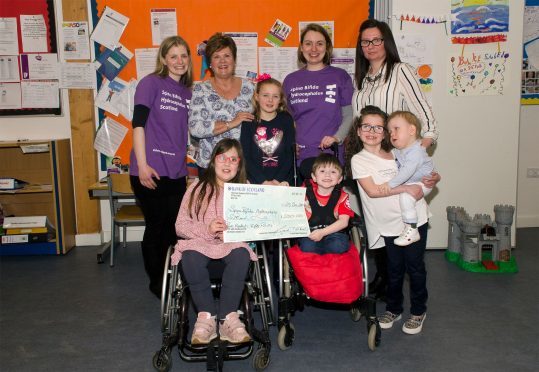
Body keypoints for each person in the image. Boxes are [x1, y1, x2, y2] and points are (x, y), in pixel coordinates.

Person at [352, 19, 439, 299]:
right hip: (368, 158)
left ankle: (400, 283)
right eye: (365, 42)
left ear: (386, 42)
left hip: (395, 160)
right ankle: (385, 277)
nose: (371, 46)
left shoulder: (401, 72)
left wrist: (413, 156)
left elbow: (428, 122)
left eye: (376, 40)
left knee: (402, 217)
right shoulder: (363, 79)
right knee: (376, 219)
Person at [346, 105, 439, 335]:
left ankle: (418, 311)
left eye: (379, 127)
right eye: (366, 126)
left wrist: (434, 178)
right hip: (387, 224)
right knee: (394, 270)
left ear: (386, 132)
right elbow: (374, 191)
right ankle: (394, 309)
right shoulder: (359, 160)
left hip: (414, 220)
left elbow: (423, 170)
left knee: (415, 268)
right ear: (358, 130)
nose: (372, 131)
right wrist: (409, 188)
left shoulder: (399, 152)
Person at [171, 139, 257, 345]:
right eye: (222, 158)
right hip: (200, 245)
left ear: (239, 164)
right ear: (212, 161)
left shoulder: (246, 190)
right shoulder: (197, 188)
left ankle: (228, 318)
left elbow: (255, 224)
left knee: (241, 253)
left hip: (232, 246)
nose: (227, 163)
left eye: (233, 159)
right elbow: (180, 225)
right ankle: (206, 317)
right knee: (189, 255)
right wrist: (207, 229)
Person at [129, 35, 193, 298]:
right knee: (156, 227)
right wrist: (142, 165)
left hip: (177, 171)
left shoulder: (189, 92)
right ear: (164, 60)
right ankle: (157, 283)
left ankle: (172, 277)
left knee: (174, 229)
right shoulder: (150, 83)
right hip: (150, 170)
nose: (179, 61)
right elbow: (138, 125)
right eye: (173, 56)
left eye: (184, 56)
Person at [283, 23, 354, 176]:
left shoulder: (340, 76)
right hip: (299, 157)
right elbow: (286, 120)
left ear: (327, 47)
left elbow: (349, 115)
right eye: (308, 44)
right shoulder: (290, 80)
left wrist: (337, 137)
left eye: (319, 44)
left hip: (330, 157)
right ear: (301, 48)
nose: (313, 49)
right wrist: (288, 143)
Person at [189, 33, 255, 174]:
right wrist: (231, 123)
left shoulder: (250, 88)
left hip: (243, 166)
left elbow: (264, 122)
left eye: (227, 56)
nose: (222, 61)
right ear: (210, 63)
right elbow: (195, 128)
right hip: (211, 168)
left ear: (234, 60)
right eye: (216, 57)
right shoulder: (201, 90)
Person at [378, 111, 434, 246]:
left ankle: (412, 228)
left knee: (405, 197)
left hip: (423, 183)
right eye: (390, 131)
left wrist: (390, 184)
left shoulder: (417, 151)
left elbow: (407, 171)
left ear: (412, 130)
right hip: (414, 182)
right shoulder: (399, 150)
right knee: (405, 196)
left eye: (396, 129)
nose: (392, 134)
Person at [240, 74, 295, 186]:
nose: (270, 100)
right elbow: (245, 156)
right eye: (265, 95)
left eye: (275, 96)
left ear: (280, 99)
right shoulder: (248, 122)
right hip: (256, 181)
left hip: (282, 181)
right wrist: (263, 181)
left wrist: (277, 180)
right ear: (256, 96)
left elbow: (291, 154)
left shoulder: (286, 119)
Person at [299, 153, 354, 255]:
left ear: (340, 179)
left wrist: (322, 232)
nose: (327, 175)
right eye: (322, 171)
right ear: (314, 177)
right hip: (311, 233)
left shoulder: (343, 197)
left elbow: (343, 222)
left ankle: (325, 256)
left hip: (334, 233)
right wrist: (284, 189)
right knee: (307, 246)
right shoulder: (302, 193)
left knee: (337, 245)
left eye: (333, 172)